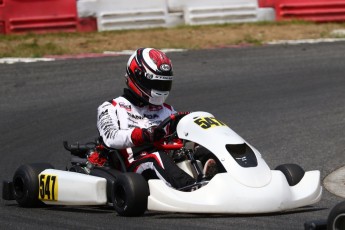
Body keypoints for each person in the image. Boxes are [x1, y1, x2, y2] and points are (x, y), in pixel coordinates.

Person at [94, 48, 198, 190]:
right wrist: (143, 135)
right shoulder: (111, 107)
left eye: (164, 84)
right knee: (156, 157)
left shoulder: (167, 110)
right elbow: (110, 138)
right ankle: (192, 189)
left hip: (169, 162)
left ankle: (223, 179)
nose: (160, 89)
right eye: (156, 84)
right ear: (138, 77)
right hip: (134, 166)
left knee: (200, 149)